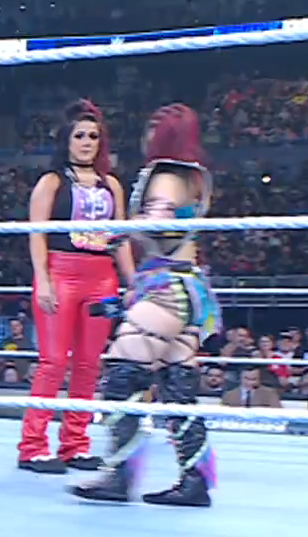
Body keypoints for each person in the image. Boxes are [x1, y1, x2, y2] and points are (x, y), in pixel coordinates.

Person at [71, 104, 221, 508]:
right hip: (188, 286)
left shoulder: (167, 176)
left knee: (122, 371)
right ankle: (194, 480)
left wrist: (120, 231)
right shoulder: (194, 176)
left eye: (155, 127)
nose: (147, 133)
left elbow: (163, 227)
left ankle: (120, 473)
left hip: (165, 288)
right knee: (176, 387)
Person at [19, 99, 132, 473]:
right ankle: (32, 446)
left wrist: (134, 282)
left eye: (93, 136)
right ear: (66, 140)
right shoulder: (51, 182)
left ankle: (75, 444)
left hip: (102, 276)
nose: (87, 142)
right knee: (53, 361)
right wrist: (43, 280)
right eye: (80, 135)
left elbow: (120, 237)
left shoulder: (111, 185)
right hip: (61, 272)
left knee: (88, 364)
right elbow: (37, 234)